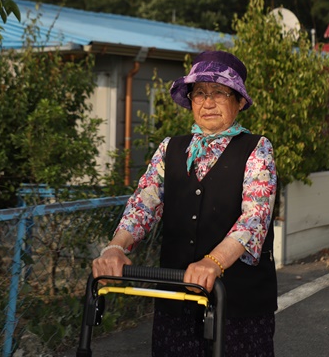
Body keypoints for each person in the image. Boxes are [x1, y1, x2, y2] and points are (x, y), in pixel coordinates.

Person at [92, 50, 278, 357]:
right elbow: (144, 204)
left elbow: (254, 218)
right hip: (175, 303)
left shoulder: (257, 149)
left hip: (239, 307)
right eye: (200, 93)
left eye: (219, 92)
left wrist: (213, 262)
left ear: (240, 101)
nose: (208, 102)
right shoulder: (170, 148)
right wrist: (115, 248)